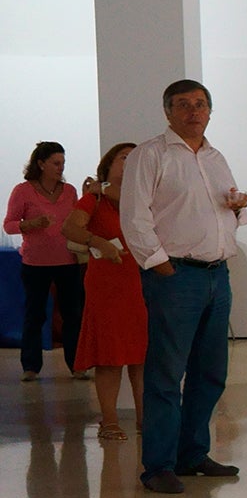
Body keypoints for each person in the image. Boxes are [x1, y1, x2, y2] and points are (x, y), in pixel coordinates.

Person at [122, 81, 247, 494]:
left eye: (201, 104)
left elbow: (222, 206)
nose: (194, 111)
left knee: (210, 372)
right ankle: (158, 465)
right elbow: (134, 216)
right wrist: (160, 265)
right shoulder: (150, 154)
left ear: (210, 111)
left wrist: (237, 206)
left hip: (217, 274)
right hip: (176, 276)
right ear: (168, 112)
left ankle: (192, 454)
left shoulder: (215, 157)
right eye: (184, 105)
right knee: (166, 373)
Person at [62, 143, 146, 440]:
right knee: (110, 355)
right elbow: (69, 228)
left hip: (142, 281)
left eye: (135, 158)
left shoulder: (144, 197)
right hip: (108, 284)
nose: (130, 162)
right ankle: (109, 420)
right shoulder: (93, 199)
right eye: (124, 157)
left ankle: (145, 418)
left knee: (142, 355)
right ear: (108, 164)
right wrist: (98, 242)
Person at [7, 141, 84, 381]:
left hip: (68, 262)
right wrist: (30, 224)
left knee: (73, 315)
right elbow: (9, 225)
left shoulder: (69, 191)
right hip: (35, 264)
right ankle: (30, 366)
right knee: (35, 314)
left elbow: (77, 221)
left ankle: (77, 365)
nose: (61, 168)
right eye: (56, 163)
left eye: (63, 163)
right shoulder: (23, 191)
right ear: (41, 164)